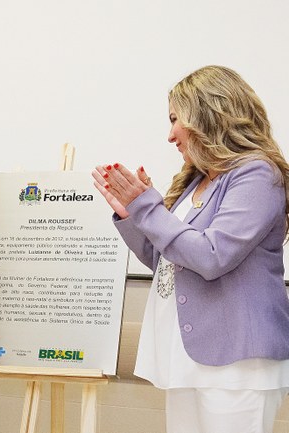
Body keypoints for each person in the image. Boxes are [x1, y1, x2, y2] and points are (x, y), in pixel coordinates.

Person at [93, 65, 289, 433]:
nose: (170, 136)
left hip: (237, 364)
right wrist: (132, 215)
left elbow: (211, 256)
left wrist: (147, 207)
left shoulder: (257, 174)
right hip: (188, 357)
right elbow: (168, 261)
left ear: (207, 115)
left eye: (175, 119)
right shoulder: (196, 181)